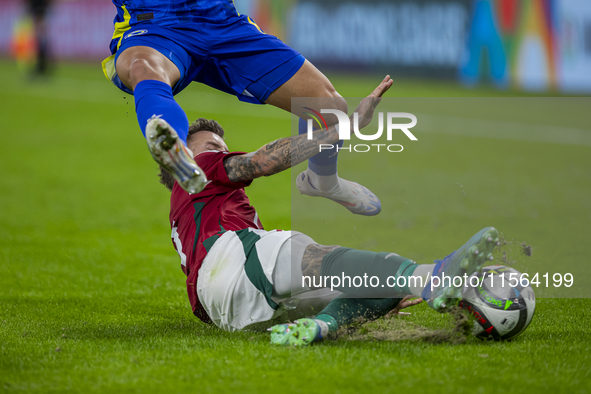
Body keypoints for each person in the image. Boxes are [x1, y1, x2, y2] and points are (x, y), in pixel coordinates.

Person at [159, 78, 500, 346]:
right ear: (181, 154)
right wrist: (348, 126)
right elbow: (261, 162)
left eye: (222, 146)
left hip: (229, 309)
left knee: (377, 284)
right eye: (213, 147)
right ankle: (433, 276)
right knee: (322, 258)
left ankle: (323, 325)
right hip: (230, 264)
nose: (223, 152)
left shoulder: (195, 211)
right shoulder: (192, 169)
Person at [102, 0, 381, 216]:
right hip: (153, 26)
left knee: (330, 107)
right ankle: (178, 152)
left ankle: (323, 180)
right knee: (143, 67)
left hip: (222, 22)